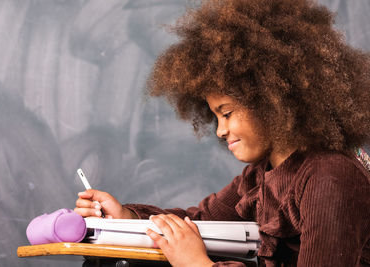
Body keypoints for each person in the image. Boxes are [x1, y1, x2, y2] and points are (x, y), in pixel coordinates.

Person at [75, 0, 370, 266]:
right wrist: (125, 217)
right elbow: (197, 222)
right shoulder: (260, 176)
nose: (220, 130)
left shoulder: (330, 178)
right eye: (215, 116)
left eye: (226, 113)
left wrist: (196, 264)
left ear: (271, 100)